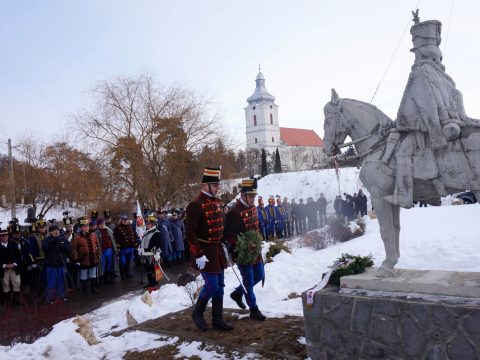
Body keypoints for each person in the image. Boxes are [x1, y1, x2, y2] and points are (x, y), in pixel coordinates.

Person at [186, 166, 233, 332]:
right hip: (203, 251)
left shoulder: (217, 202)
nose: (218, 188)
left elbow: (220, 225)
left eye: (218, 185)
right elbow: (189, 232)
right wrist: (198, 253)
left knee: (220, 284)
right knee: (211, 285)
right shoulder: (195, 205)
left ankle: (217, 319)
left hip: (217, 249)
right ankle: (197, 313)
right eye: (215, 186)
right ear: (205, 185)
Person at [225, 178, 267, 321]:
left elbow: (256, 227)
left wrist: (258, 238)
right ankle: (254, 309)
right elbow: (228, 235)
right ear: (242, 195)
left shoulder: (253, 207)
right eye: (250, 196)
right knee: (248, 280)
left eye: (254, 196)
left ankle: (237, 293)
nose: (252, 199)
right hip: (242, 253)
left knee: (260, 275)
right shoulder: (234, 211)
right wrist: (242, 244)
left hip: (255, 251)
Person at [71, 216, 101, 295]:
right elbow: (74, 250)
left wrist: (99, 255)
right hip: (83, 260)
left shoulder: (93, 235)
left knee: (93, 274)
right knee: (83, 275)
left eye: (87, 226)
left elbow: (98, 245)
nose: (86, 228)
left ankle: (93, 288)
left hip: (93, 258)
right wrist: (76, 260)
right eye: (84, 227)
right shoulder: (77, 238)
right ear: (81, 228)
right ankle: (84, 290)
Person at [42, 224, 71, 303]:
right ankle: (50, 298)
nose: (56, 231)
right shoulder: (47, 240)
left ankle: (61, 296)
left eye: (57, 230)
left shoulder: (62, 238)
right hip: (51, 265)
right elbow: (44, 248)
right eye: (54, 230)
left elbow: (68, 248)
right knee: (51, 282)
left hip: (61, 264)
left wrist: (62, 244)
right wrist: (54, 240)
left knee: (61, 281)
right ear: (51, 232)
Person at [0, 226, 22, 306]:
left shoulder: (13, 244)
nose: (4, 237)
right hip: (3, 269)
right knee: (5, 285)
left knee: (17, 283)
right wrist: (4, 265)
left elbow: (19, 256)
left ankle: (15, 303)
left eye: (6, 235)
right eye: (2, 236)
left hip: (14, 268)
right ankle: (7, 302)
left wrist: (14, 264)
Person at [139, 214, 163, 287]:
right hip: (145, 254)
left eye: (148, 224)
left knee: (154, 270)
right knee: (148, 270)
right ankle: (150, 283)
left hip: (153, 255)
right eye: (146, 224)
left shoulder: (157, 233)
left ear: (152, 225)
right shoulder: (146, 232)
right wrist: (140, 248)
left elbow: (158, 244)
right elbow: (143, 241)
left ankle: (155, 284)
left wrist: (157, 253)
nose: (146, 225)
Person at [113, 214, 136, 279]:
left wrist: (135, 243)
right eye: (123, 220)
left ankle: (128, 273)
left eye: (126, 220)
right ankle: (122, 275)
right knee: (123, 262)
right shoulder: (117, 228)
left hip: (130, 247)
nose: (125, 221)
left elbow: (134, 235)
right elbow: (116, 238)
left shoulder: (131, 227)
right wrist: (118, 246)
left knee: (129, 261)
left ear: (128, 220)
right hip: (123, 248)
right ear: (121, 220)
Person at [95, 218, 117, 284]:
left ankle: (108, 277)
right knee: (102, 265)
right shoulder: (96, 233)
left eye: (103, 223)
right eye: (101, 224)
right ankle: (102, 278)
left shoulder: (109, 230)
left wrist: (115, 248)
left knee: (109, 264)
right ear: (98, 225)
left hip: (109, 249)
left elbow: (113, 239)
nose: (102, 225)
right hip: (102, 250)